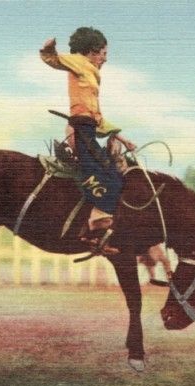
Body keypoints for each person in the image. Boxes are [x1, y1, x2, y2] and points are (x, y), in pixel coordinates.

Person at [40, 27, 135, 254]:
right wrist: (48, 48)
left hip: (89, 128)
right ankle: (90, 229)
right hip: (81, 128)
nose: (106, 57)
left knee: (114, 176)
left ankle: (94, 232)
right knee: (95, 173)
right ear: (91, 51)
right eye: (103, 52)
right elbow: (53, 60)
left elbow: (99, 117)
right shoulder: (79, 62)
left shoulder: (93, 74)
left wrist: (122, 138)